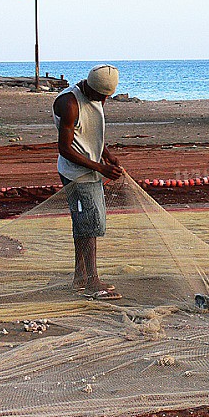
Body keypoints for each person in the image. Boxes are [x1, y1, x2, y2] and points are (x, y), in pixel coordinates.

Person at [52, 64, 124, 301]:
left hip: (92, 170)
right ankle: (92, 282)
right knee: (89, 224)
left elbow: (91, 132)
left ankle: (80, 278)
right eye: (101, 96)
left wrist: (106, 154)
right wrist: (100, 167)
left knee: (86, 223)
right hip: (76, 173)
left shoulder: (97, 97)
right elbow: (65, 148)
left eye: (106, 97)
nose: (103, 100)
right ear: (91, 88)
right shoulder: (69, 104)